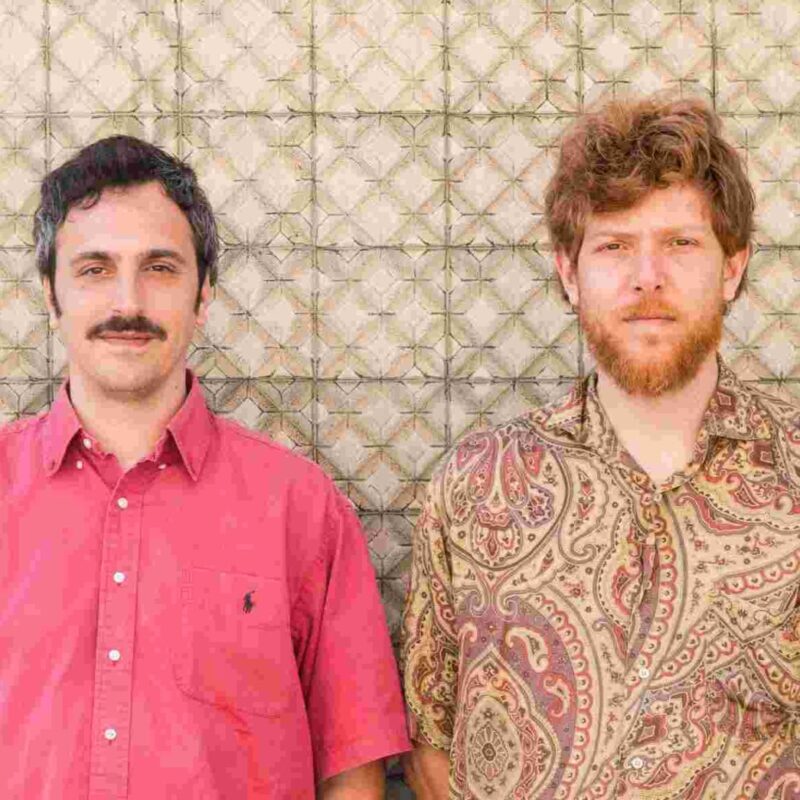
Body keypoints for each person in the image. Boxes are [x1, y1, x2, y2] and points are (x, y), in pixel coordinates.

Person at [401, 95, 800, 798]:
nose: (648, 276)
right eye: (614, 246)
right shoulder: (476, 485)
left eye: (681, 243)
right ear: (568, 273)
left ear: (732, 269)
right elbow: (430, 744)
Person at [0, 135, 410, 798]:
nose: (127, 302)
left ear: (204, 294)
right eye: (95, 269)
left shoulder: (300, 508)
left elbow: (353, 769)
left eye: (160, 267)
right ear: (51, 296)